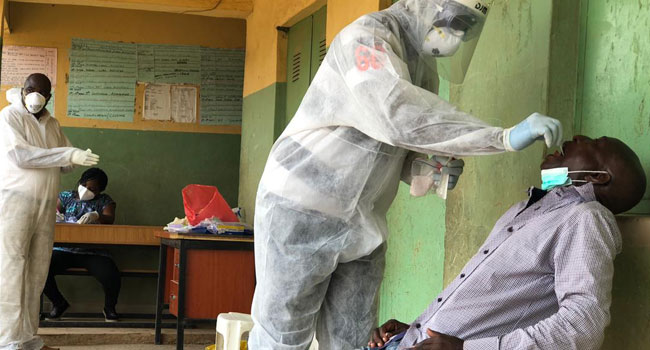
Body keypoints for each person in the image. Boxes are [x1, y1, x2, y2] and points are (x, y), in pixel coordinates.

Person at [250, 0, 566, 348]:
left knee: (354, 338)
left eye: (466, 27)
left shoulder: (422, 68)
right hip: (301, 205)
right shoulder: (365, 39)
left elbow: (391, 148)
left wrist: (428, 170)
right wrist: (499, 137)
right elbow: (394, 115)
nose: (457, 35)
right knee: (282, 336)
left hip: (362, 221)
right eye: (454, 20)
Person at [366, 135, 646, 350]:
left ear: (596, 177)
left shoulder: (585, 218)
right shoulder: (526, 209)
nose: (577, 138)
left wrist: (468, 349)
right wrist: (418, 328)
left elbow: (583, 324)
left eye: (594, 143)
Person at [0, 73, 100, 350]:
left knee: (36, 272)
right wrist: (67, 155)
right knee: (11, 268)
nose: (35, 95)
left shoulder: (52, 123)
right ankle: (7, 341)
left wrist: (76, 156)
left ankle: (28, 339)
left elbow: (65, 163)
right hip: (15, 202)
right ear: (22, 90)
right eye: (31, 89)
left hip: (45, 204)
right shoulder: (9, 117)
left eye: (42, 92)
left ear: (49, 97)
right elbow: (21, 156)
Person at [44, 167, 120, 322]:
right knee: (40, 269)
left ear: (100, 191)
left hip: (93, 251)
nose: (86, 190)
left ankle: (109, 308)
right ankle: (59, 303)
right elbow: (53, 212)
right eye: (84, 185)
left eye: (92, 189)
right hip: (63, 249)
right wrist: (54, 215)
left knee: (111, 274)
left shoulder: (104, 200)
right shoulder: (66, 196)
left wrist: (97, 216)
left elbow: (109, 218)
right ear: (79, 182)